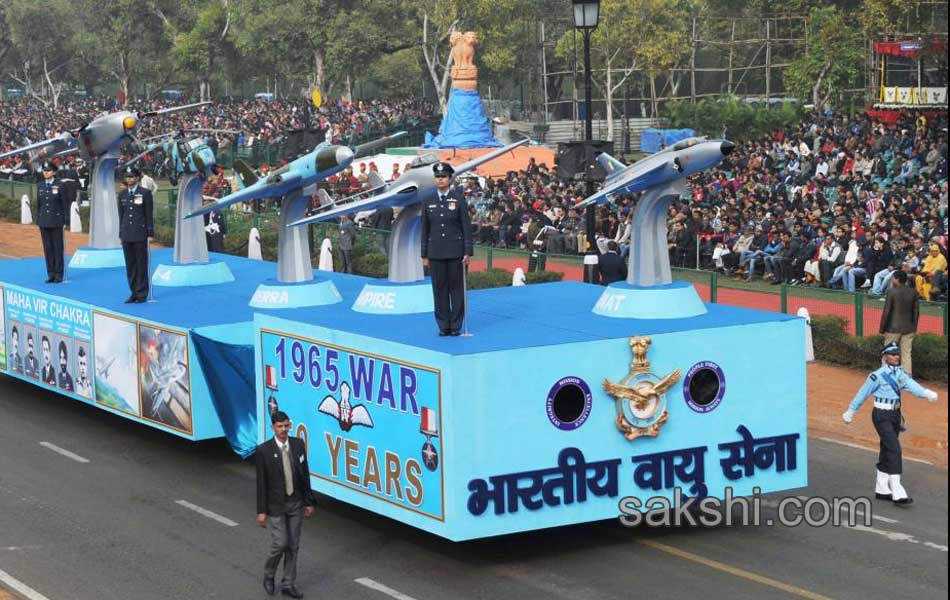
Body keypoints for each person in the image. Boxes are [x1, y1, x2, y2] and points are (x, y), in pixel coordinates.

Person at [842, 342, 938, 505]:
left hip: (895, 415)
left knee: (887, 448)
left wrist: (926, 393)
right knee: (894, 449)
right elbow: (863, 393)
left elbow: (911, 385)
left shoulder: (900, 374)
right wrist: (851, 410)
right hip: (881, 415)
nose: (896, 356)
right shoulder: (877, 376)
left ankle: (881, 488)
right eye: (892, 354)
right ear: (884, 356)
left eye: (897, 354)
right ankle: (897, 490)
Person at [256, 411, 313, 599]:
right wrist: (262, 511)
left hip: (296, 502)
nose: (284, 430)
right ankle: (269, 574)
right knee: (280, 543)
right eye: (280, 426)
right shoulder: (264, 450)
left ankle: (288, 583)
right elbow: (261, 483)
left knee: (293, 545)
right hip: (275, 506)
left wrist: (308, 501)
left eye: (286, 426)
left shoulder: (297, 445)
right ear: (273, 427)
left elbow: (304, 474)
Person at [421, 161, 473, 336]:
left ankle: (456, 325)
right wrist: (424, 254)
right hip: (435, 252)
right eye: (438, 177)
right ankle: (443, 325)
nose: (440, 180)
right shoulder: (428, 200)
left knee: (456, 290)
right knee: (439, 289)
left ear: (450, 178)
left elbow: (466, 226)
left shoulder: (458, 199)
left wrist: (467, 251)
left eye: (443, 177)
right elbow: (425, 229)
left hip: (455, 251)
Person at [118, 166, 154, 303]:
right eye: (127, 177)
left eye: (132, 176)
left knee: (141, 264)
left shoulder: (145, 193)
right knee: (130, 265)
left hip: (140, 233)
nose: (129, 179)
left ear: (137, 178)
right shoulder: (122, 194)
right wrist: (121, 234)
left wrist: (150, 232)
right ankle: (133, 291)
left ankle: (142, 293)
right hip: (127, 234)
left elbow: (148, 214)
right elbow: (121, 216)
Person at [879, 270, 918, 376]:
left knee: (887, 352)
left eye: (893, 278)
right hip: (909, 328)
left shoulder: (892, 291)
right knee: (906, 353)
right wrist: (914, 327)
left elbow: (886, 311)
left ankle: (885, 374)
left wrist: (882, 329)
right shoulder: (913, 292)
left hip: (893, 328)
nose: (892, 279)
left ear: (896, 279)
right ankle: (907, 376)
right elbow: (916, 312)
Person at [36, 161, 69, 283]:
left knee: (57, 247)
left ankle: (59, 274)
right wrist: (38, 219)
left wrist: (66, 220)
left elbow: (65, 203)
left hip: (56, 221)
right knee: (47, 248)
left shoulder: (60, 185)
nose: (46, 173)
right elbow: (39, 204)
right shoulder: (40, 185)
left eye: (48, 170)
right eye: (44, 171)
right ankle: (50, 273)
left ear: (54, 172)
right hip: (44, 221)